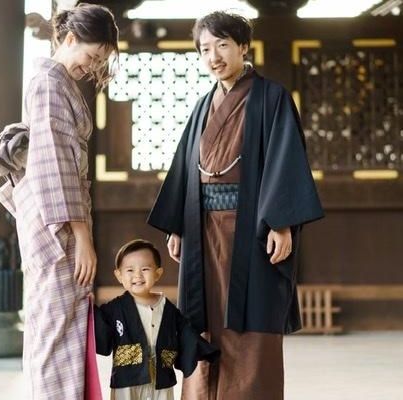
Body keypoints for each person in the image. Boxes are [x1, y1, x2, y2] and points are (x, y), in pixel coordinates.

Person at [147, 11, 324, 400]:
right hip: (201, 230)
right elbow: (185, 167)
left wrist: (281, 223)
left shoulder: (271, 97)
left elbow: (285, 160)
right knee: (203, 319)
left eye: (223, 45)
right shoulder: (202, 106)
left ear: (243, 47)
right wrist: (178, 224)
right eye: (205, 49)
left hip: (251, 228)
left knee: (250, 321)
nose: (214, 57)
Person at [0, 4, 119, 399]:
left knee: (61, 324)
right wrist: (82, 237)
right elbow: (56, 165)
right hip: (58, 225)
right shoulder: (50, 84)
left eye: (99, 61)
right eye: (91, 56)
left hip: (58, 216)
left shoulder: (58, 82)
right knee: (55, 327)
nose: (92, 67)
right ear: (70, 38)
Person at [94, 239, 220, 400]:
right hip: (127, 377)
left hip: (161, 375)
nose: (137, 275)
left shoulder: (167, 307)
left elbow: (185, 331)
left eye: (145, 269)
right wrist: (87, 307)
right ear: (119, 275)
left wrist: (204, 349)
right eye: (130, 270)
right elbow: (99, 328)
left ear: (158, 273)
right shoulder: (114, 309)